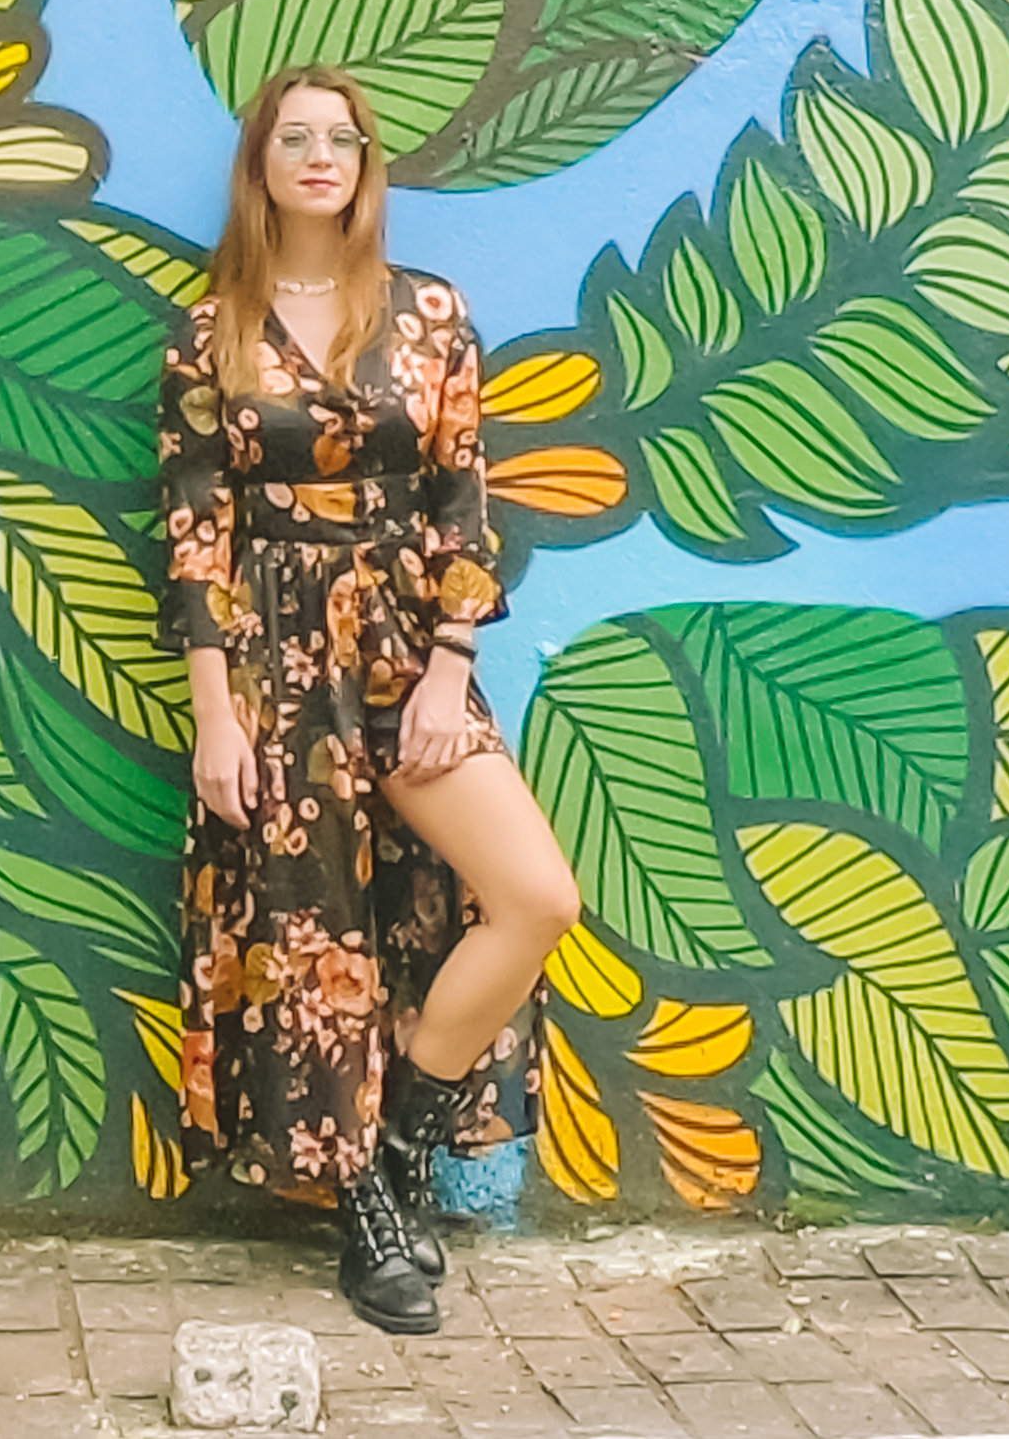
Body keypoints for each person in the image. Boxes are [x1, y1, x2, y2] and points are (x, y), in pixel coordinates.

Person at [156, 64, 582, 1335]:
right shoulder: (209, 331)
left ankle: (395, 1148)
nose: (319, 155)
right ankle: (362, 1213)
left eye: (340, 137)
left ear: (363, 164)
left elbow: (462, 496)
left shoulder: (429, 314)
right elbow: (196, 533)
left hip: (404, 647)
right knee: (314, 943)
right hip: (278, 662)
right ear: (260, 164)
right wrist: (215, 714)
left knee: (533, 897)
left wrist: (450, 667)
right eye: (293, 136)